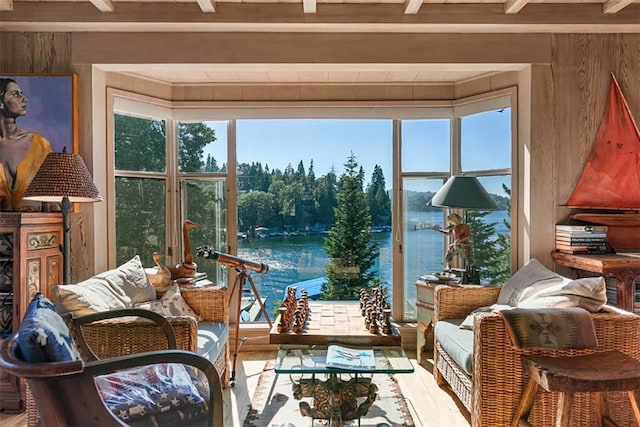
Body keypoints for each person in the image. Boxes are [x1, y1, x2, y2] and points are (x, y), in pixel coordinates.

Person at [0, 78, 52, 211]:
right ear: (1, 103)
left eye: (21, 93)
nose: (24, 99)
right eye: (16, 94)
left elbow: (51, 198)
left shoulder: (39, 145)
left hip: (34, 228)